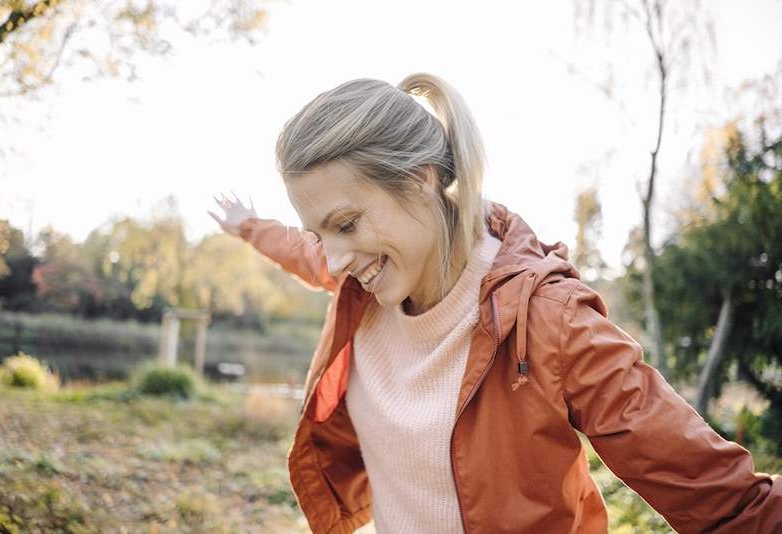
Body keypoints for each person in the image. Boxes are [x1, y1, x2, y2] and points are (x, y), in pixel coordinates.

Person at [208, 73, 782, 534]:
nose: (332, 261)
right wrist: (247, 227)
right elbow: (300, 251)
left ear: (420, 180)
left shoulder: (548, 320)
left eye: (347, 223)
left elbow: (728, 506)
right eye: (319, 235)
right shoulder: (365, 282)